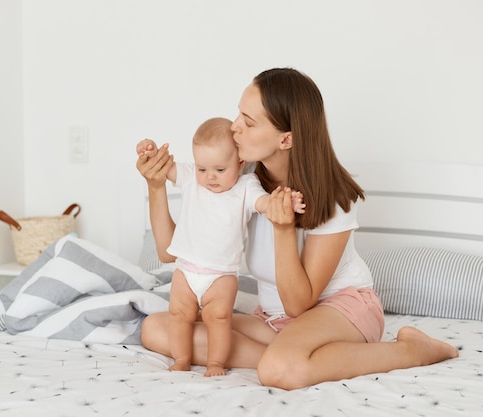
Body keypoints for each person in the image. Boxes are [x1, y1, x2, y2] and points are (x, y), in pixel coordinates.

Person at [135, 67, 459, 390]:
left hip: (340, 310)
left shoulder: (333, 197)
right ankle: (306, 356)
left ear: (286, 138)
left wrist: (283, 228)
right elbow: (168, 251)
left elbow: (298, 304)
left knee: (279, 371)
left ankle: (410, 350)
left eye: (248, 122)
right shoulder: (240, 179)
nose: (234, 127)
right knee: (158, 329)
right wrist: (156, 186)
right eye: (238, 115)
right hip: (275, 322)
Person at [136, 117, 304, 377]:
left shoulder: (246, 186)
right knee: (179, 316)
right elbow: (163, 168)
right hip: (185, 271)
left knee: (219, 320)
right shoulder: (193, 177)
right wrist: (150, 152)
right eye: (202, 169)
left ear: (239, 163)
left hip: (221, 276)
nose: (209, 177)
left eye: (219, 170)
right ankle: (181, 360)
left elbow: (265, 204)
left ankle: (215, 363)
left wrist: (283, 202)